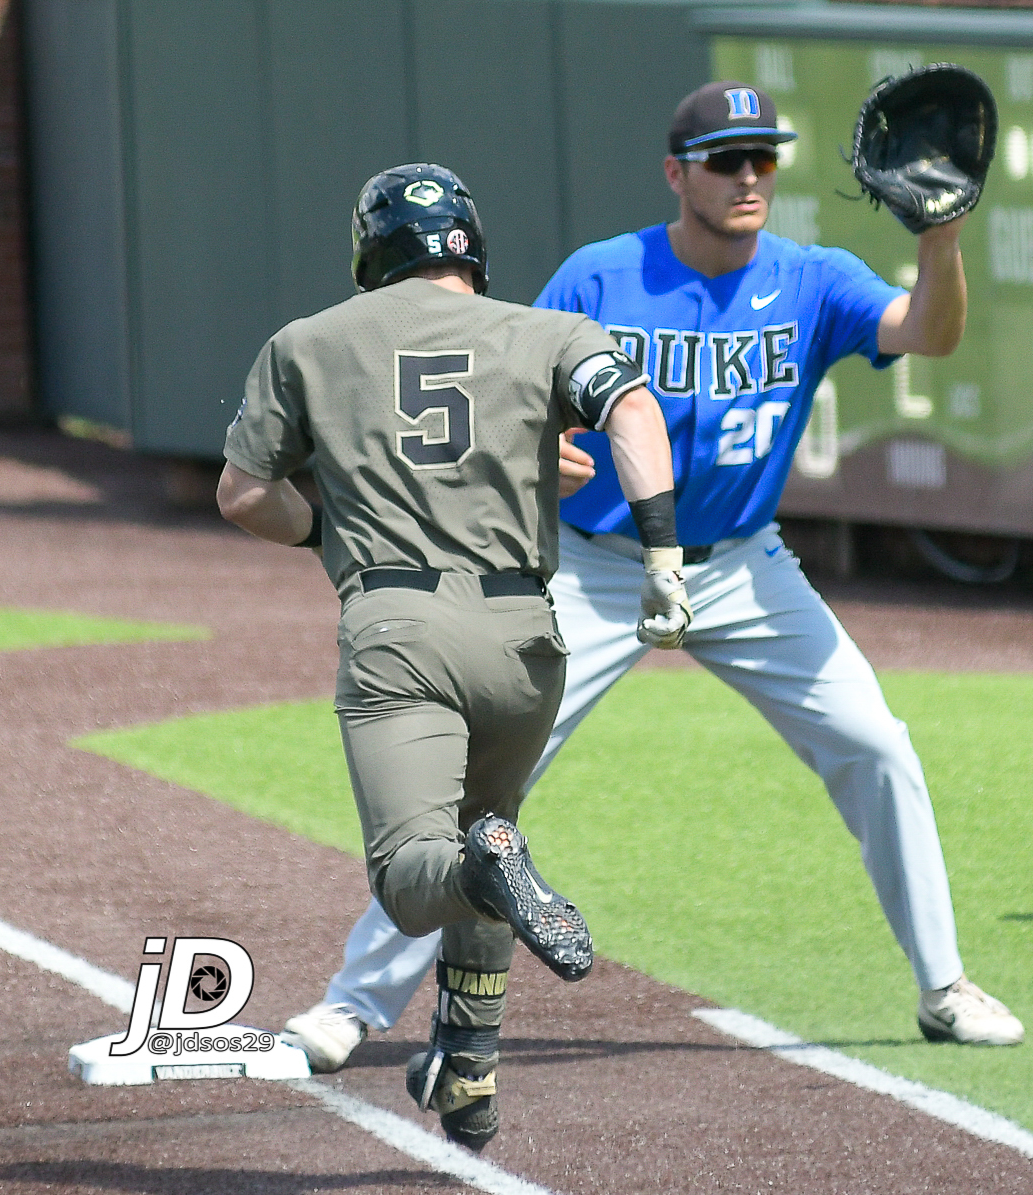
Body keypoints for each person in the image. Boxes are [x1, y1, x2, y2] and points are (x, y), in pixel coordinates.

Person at [279, 80, 1024, 1074]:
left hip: (747, 570)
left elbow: (927, 333)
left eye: (763, 156)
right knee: (486, 786)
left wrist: (940, 240)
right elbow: (515, 387)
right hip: (589, 569)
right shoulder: (603, 274)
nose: (749, 174)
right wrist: (539, 454)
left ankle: (943, 984)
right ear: (678, 174)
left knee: (875, 746)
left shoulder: (812, 278)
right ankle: (354, 1002)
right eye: (726, 158)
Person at [219, 162, 690, 1150]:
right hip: (526, 638)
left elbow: (243, 493)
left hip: (400, 630)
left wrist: (325, 534)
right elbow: (635, 413)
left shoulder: (305, 343)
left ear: (370, 250)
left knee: (418, 869)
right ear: (471, 247)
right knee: (490, 826)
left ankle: (486, 880)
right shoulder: (551, 332)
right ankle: (469, 1066)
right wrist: (660, 553)